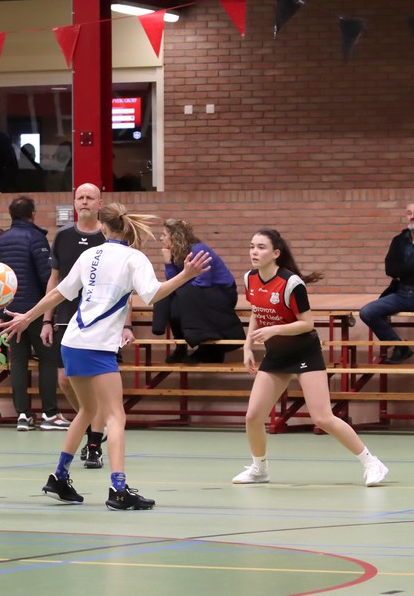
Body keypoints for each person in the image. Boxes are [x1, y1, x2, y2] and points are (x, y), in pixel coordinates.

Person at [0, 203, 212, 511]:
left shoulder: (90, 255)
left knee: (87, 410)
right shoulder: (134, 258)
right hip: (98, 346)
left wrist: (28, 316)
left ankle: (59, 477)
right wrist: (186, 275)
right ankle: (119, 489)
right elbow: (153, 294)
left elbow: (58, 293)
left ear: (103, 227)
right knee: (115, 416)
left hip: (72, 341)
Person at [233, 229, 389, 487]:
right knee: (253, 416)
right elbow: (256, 312)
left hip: (304, 351)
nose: (254, 252)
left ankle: (372, 463)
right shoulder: (250, 278)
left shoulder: (291, 283)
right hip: (277, 354)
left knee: (322, 417)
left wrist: (275, 330)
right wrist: (247, 345)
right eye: (252, 246)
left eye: (261, 247)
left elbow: (307, 323)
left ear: (276, 253)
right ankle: (259, 469)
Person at [41, 183, 115, 468]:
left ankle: (94, 445)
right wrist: (47, 319)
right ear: (74, 203)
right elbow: (55, 279)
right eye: (80, 197)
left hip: (101, 319)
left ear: (100, 204)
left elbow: (124, 285)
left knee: (97, 384)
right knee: (65, 380)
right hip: (66, 317)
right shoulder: (63, 236)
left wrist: (127, 325)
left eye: (89, 198)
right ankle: (90, 424)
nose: (84, 201)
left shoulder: (108, 237)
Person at [0, 196, 66, 432]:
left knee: (18, 361)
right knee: (48, 358)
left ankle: (22, 414)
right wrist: (48, 312)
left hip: (8, 312)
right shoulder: (36, 238)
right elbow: (47, 277)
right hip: (34, 312)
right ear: (33, 214)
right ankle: (49, 414)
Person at [153, 219, 244, 364]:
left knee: (181, 295)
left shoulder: (198, 250)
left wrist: (180, 288)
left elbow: (203, 282)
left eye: (164, 235)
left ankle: (203, 348)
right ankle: (180, 346)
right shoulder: (178, 253)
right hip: (197, 293)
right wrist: (168, 262)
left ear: (175, 237)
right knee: (168, 294)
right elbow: (173, 283)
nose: (160, 238)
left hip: (222, 293)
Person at [359, 203, 414, 365]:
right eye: (409, 213)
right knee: (368, 312)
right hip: (403, 293)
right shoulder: (399, 241)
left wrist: (404, 269)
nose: (412, 217)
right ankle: (400, 348)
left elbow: (398, 269)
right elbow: (390, 269)